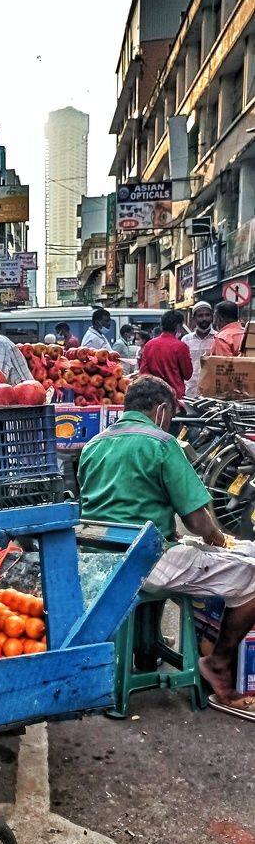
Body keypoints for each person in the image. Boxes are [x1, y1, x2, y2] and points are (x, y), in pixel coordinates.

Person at [78, 374, 255, 716]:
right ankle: (217, 664)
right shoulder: (161, 443)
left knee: (179, 551)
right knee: (251, 575)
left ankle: (148, 647)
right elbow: (197, 521)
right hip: (143, 563)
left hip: (97, 557)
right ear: (161, 410)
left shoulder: (94, 444)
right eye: (171, 414)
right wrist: (219, 541)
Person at [138, 309, 192, 400]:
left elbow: (143, 373)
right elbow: (188, 374)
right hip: (175, 398)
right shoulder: (181, 346)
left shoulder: (149, 345)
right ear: (178, 326)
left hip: (153, 397)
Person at [182, 302, 216, 398]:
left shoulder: (218, 338)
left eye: (207, 315)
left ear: (212, 317)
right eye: (200, 316)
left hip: (211, 394)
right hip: (190, 392)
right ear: (194, 318)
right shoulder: (186, 340)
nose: (204, 318)